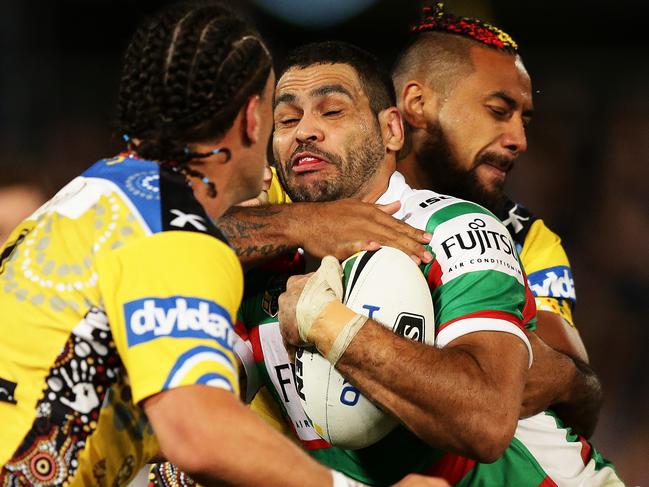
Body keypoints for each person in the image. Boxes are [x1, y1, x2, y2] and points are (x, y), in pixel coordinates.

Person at [0, 4, 441, 486]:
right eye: (280, 113)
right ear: (253, 120)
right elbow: (197, 431)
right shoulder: (179, 233)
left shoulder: (94, 192)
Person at [270, 41, 622, 485]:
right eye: (287, 119)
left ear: (392, 130)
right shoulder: (270, 261)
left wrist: (328, 325)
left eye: (332, 111)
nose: (305, 130)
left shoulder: (457, 230)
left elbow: (485, 422)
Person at [391, 2, 601, 438]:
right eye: (498, 110)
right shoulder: (326, 190)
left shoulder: (528, 238)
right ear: (417, 104)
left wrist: (570, 380)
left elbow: (565, 386)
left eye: (524, 119)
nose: (519, 141)